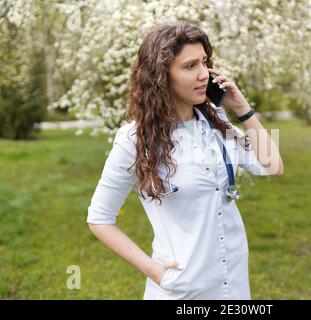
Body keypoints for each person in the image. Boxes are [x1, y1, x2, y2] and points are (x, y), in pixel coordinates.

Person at [86, 21, 284, 300]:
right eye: (190, 66)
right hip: (181, 290)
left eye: (204, 62)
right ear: (161, 76)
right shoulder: (135, 140)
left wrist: (242, 109)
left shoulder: (217, 123)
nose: (204, 74)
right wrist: (155, 271)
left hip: (233, 283)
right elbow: (99, 219)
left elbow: (272, 166)